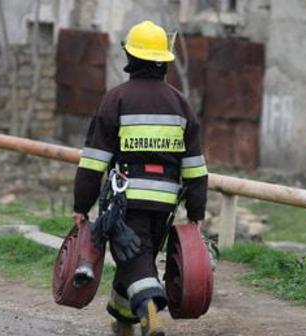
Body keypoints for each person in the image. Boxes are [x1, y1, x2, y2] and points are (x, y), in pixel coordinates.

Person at [72, 20, 209, 336]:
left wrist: (82, 205)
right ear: (164, 61)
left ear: (131, 59)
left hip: (125, 202)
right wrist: (197, 212)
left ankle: (150, 314)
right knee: (137, 258)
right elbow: (195, 168)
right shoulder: (181, 104)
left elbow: (93, 162)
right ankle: (123, 324)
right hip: (164, 206)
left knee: (135, 259)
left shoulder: (116, 99)